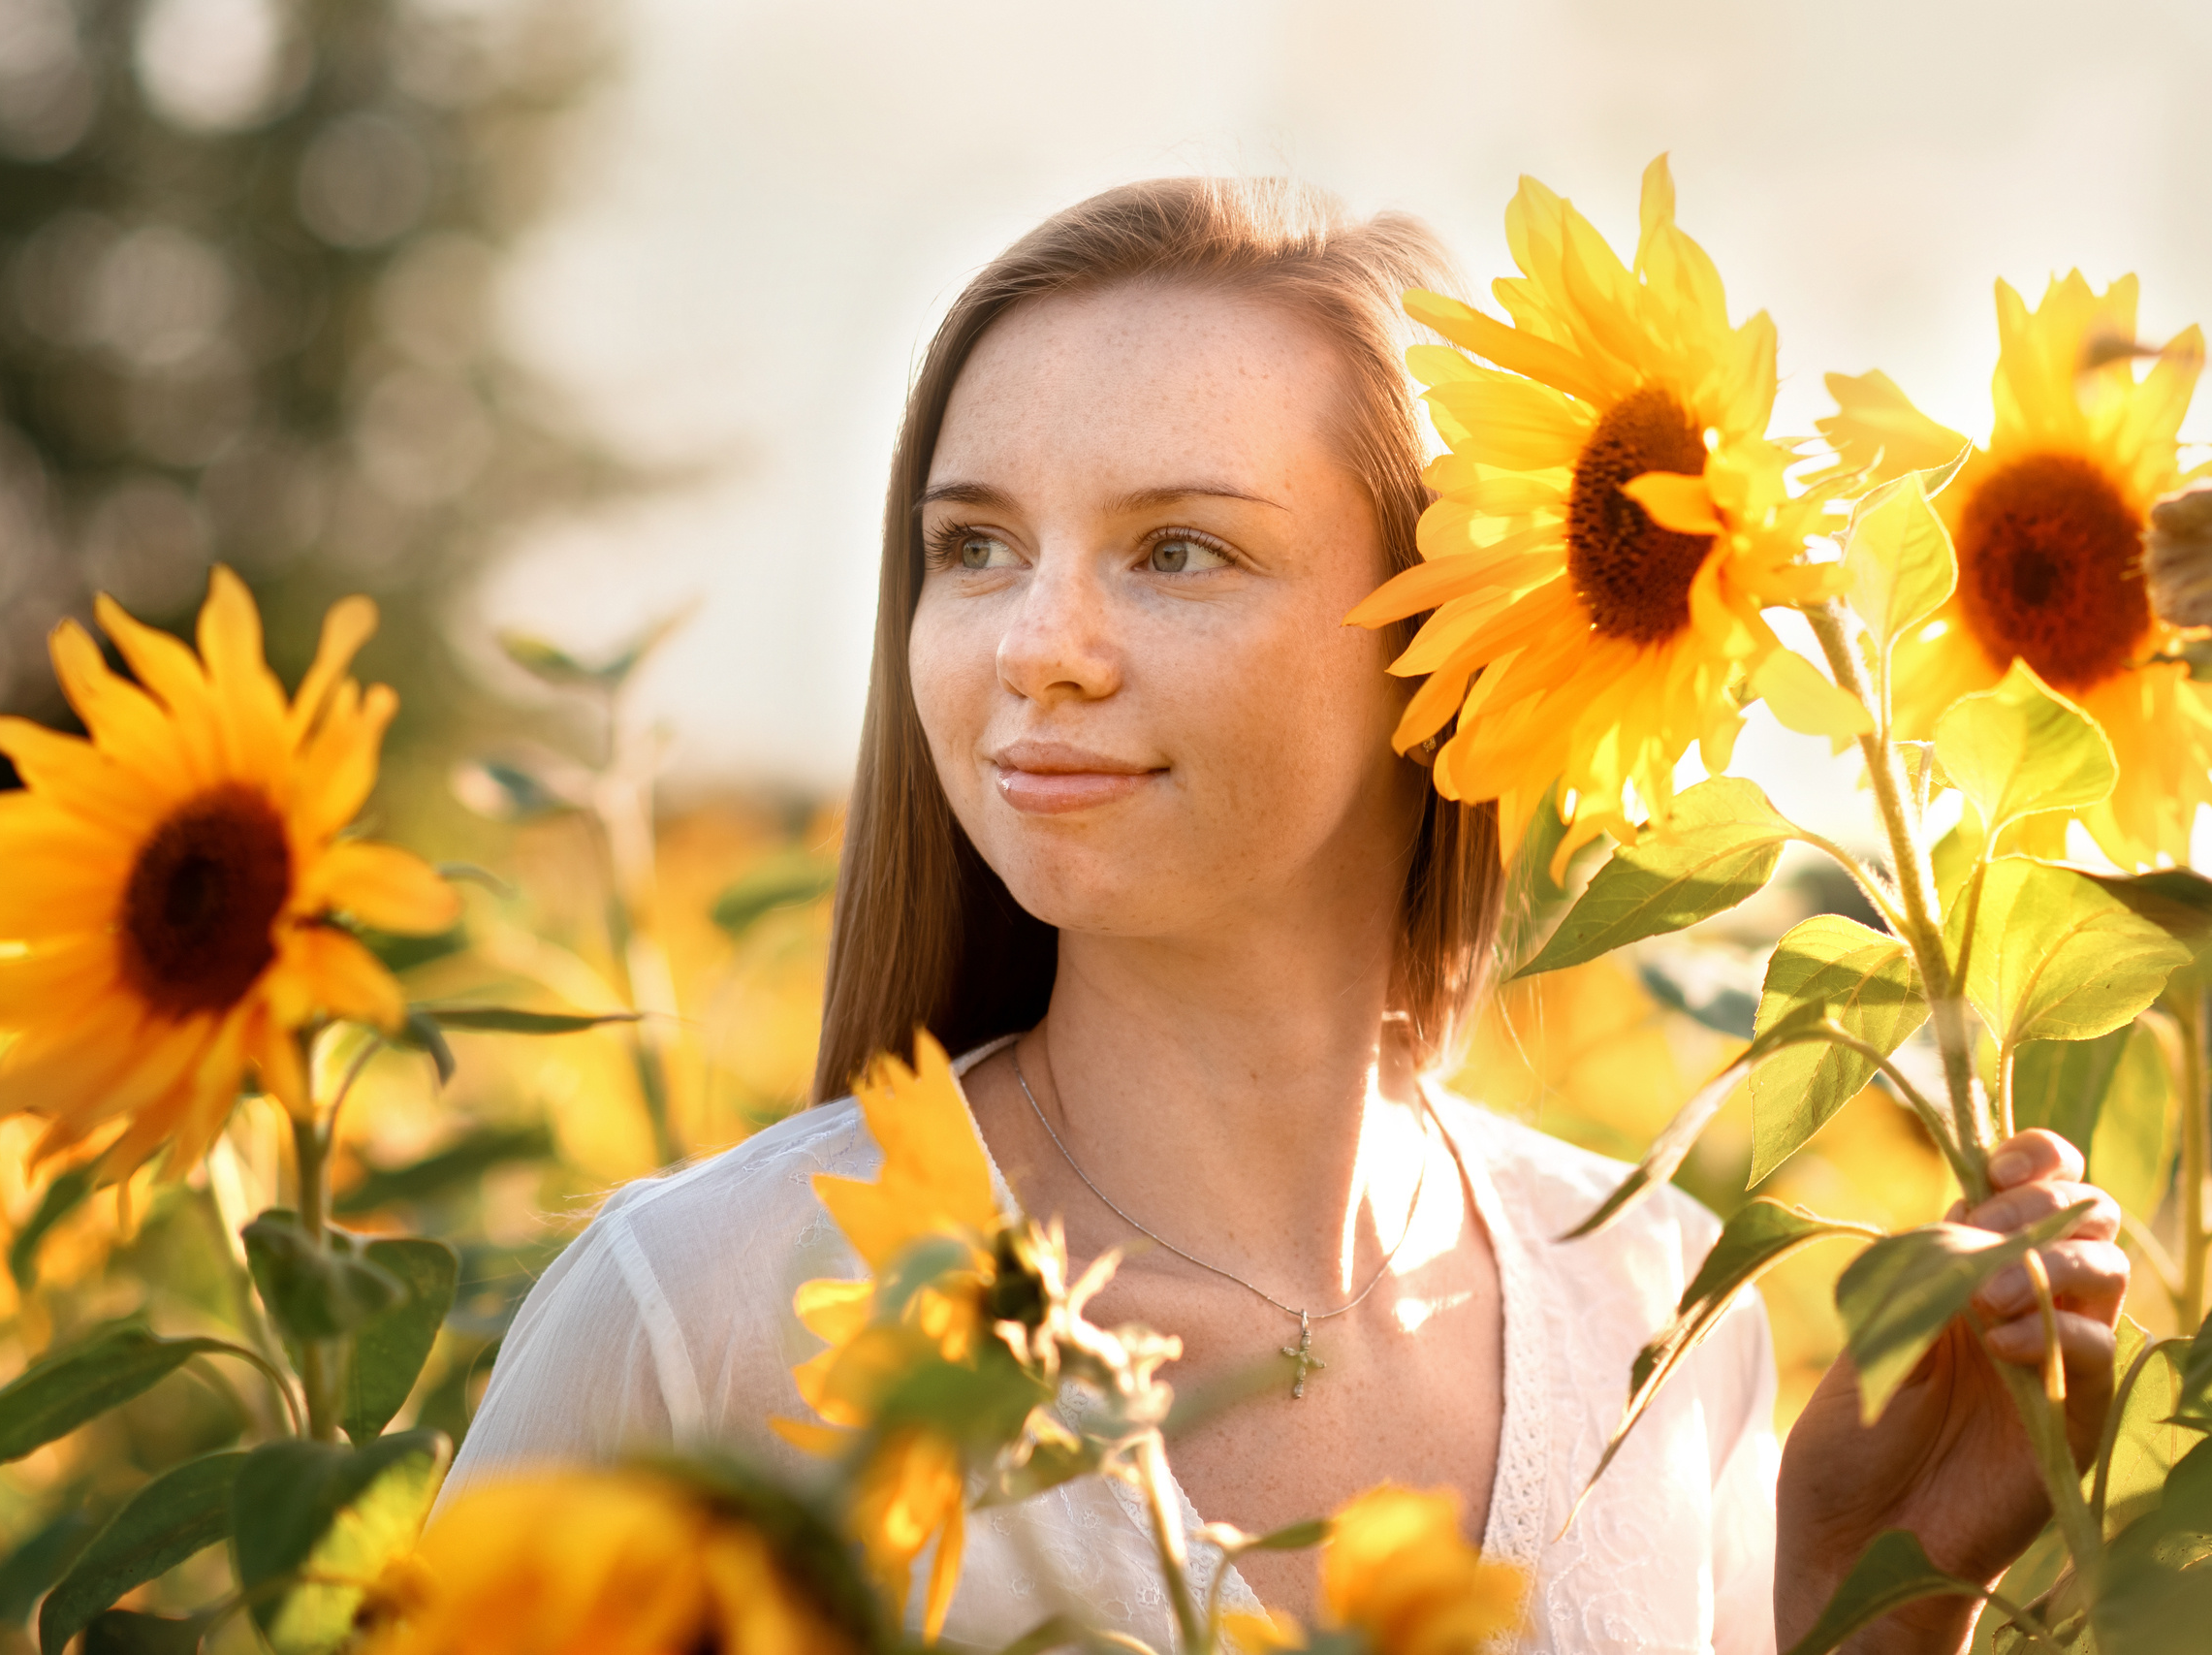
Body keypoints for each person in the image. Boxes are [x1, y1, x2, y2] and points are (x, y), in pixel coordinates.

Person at [444, 178, 2129, 1653]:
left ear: (1445, 647)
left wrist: (1879, 1616)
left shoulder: (1656, 1316)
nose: (1040, 642)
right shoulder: (703, 1313)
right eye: (974, 548)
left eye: (1178, 550)